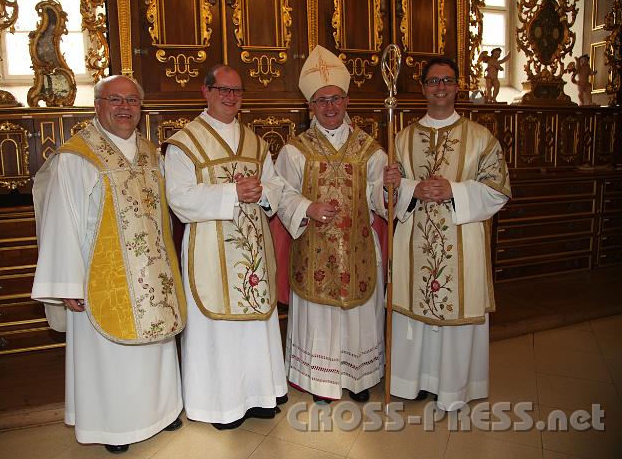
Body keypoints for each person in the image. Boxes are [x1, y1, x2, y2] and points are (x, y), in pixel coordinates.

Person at [31, 75, 185, 454]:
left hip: (151, 273)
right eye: (114, 99)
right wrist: (68, 284)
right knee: (109, 359)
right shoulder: (76, 156)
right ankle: (114, 427)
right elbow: (61, 220)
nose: (124, 107)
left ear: (140, 107)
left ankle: (161, 413)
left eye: (132, 100)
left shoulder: (151, 152)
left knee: (156, 349)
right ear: (97, 105)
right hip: (102, 278)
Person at [164, 64, 288, 429]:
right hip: (209, 251)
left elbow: (275, 185)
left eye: (237, 91)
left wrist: (264, 192)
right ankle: (221, 405)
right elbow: (178, 197)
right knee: (216, 327)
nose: (231, 97)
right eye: (223, 90)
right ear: (206, 92)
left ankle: (262, 395)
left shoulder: (256, 142)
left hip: (252, 249)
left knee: (255, 325)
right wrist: (231, 193)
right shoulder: (185, 142)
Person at [384, 57, 511, 411]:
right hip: (413, 242)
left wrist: (454, 190)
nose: (441, 87)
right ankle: (414, 383)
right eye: (433, 81)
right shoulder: (402, 138)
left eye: (448, 80)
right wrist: (410, 188)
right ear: (423, 87)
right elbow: (387, 196)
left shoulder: (481, 138)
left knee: (456, 316)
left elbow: (499, 190)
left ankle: (453, 389)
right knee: (414, 309)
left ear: (457, 87)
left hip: (463, 242)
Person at [275, 45, 392, 403]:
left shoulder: (370, 149)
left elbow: (381, 201)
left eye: (336, 99)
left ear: (346, 101)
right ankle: (322, 383)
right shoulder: (296, 150)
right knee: (320, 318)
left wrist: (390, 188)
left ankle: (358, 379)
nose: (330, 107)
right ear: (311, 105)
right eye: (322, 100)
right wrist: (307, 208)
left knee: (359, 316)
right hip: (314, 248)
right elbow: (281, 193)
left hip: (357, 248)